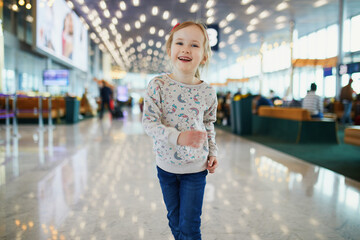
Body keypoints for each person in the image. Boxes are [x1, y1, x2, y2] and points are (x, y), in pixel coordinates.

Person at [142, 21, 218, 240]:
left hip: (195, 168)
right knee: (174, 220)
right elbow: (149, 122)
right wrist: (177, 137)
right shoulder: (158, 85)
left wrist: (213, 151)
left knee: (190, 226)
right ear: (170, 49)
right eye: (180, 43)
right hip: (165, 167)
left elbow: (208, 124)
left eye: (194, 45)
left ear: (203, 56)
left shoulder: (208, 92)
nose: (186, 49)